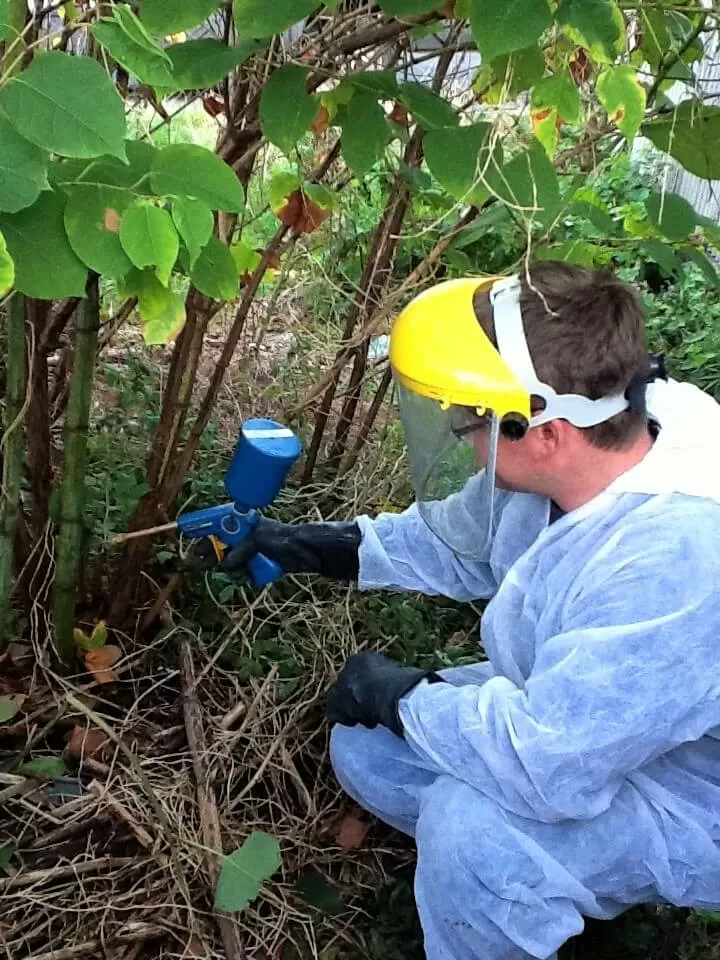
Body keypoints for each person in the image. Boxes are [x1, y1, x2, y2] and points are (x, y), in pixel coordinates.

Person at [210, 262, 720, 960]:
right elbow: (466, 540)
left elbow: (548, 763)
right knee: (368, 750)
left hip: (694, 792)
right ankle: (541, 882)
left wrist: (405, 699)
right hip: (599, 723)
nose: (456, 430)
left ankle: (516, 891)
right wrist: (316, 546)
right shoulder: (599, 433)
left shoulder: (676, 558)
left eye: (469, 417)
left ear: (542, 432)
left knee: (467, 823)